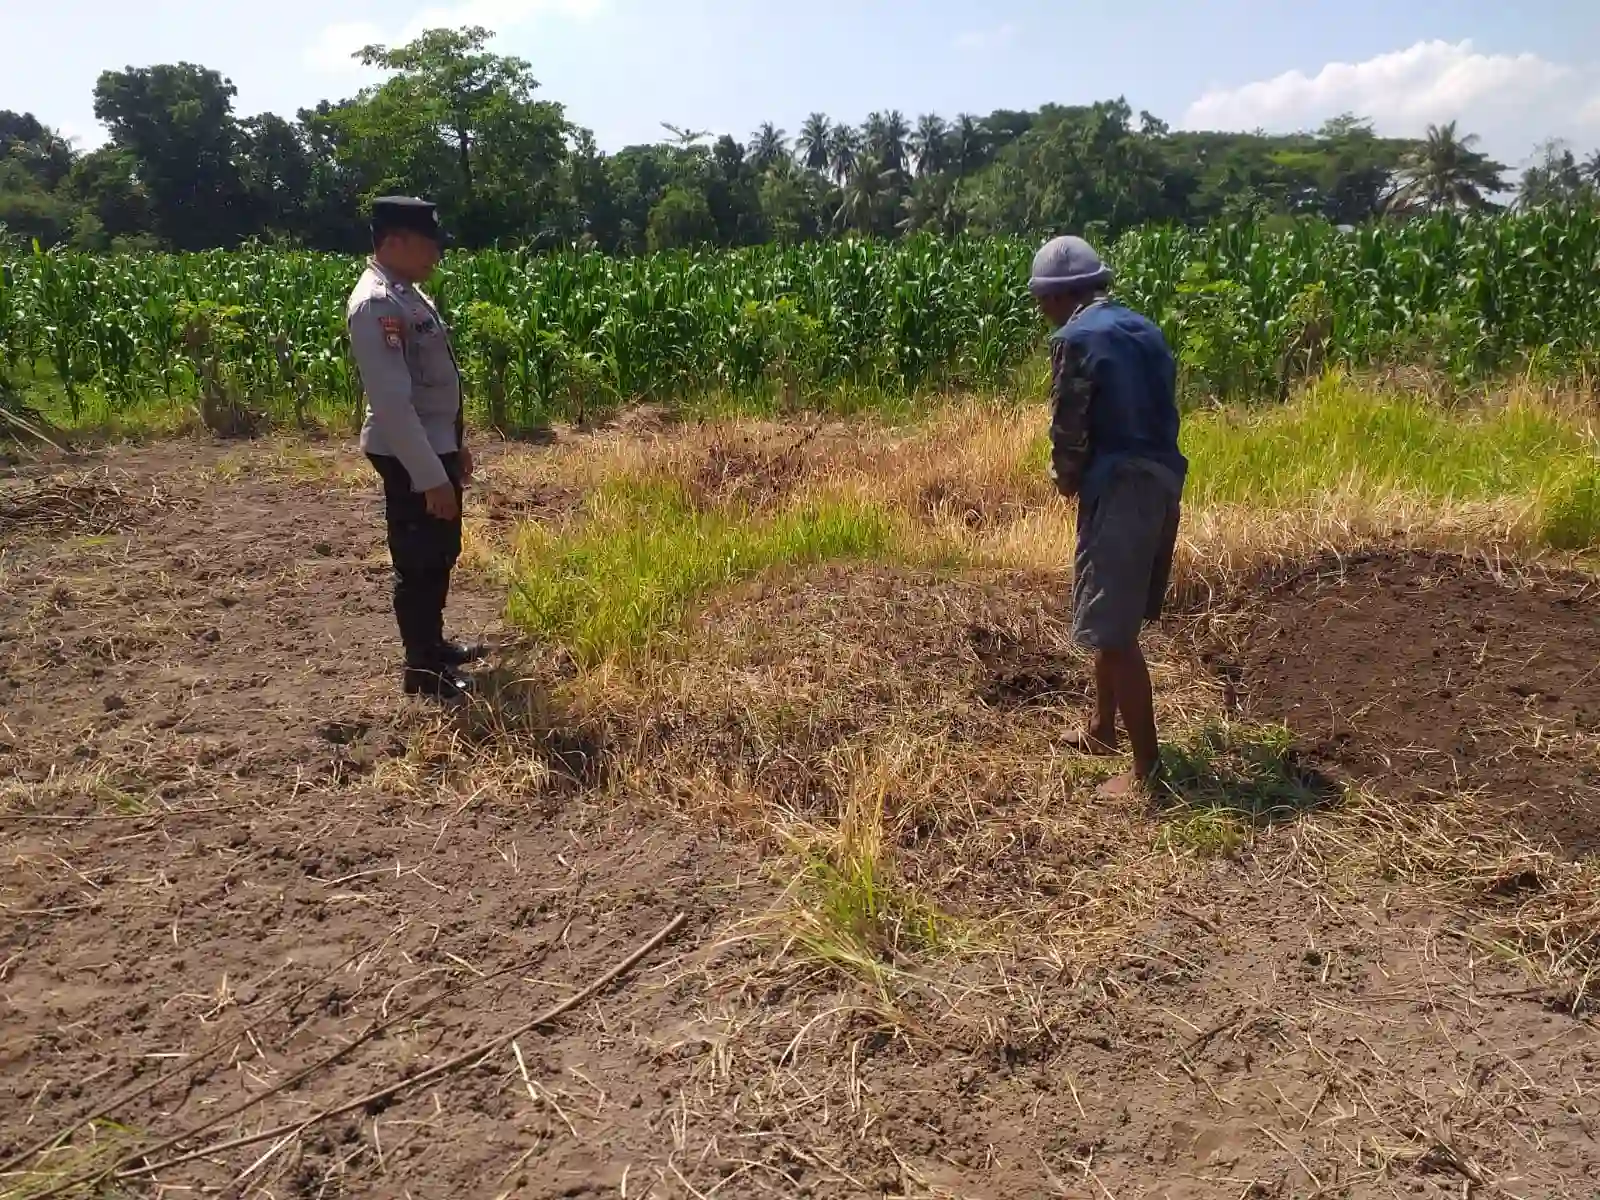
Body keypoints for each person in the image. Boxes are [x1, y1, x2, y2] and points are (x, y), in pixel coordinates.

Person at [1029, 235, 1186, 796]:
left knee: (1115, 633)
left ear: (1064, 295)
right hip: (1163, 481)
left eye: (1043, 300)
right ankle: (1102, 729)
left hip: (1119, 487)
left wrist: (1066, 480)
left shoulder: (1075, 338)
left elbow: (1070, 427)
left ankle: (1147, 774)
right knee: (1109, 613)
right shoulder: (1143, 328)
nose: (1042, 311)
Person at [347, 196, 485, 702]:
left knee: (441, 552)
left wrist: (455, 445)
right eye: (430, 245)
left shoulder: (407, 292)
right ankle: (423, 670)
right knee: (420, 559)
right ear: (395, 241)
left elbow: (433, 388)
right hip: (409, 452)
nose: (438, 255)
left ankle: (434, 645)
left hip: (432, 444)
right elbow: (393, 405)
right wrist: (430, 476)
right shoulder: (377, 303)